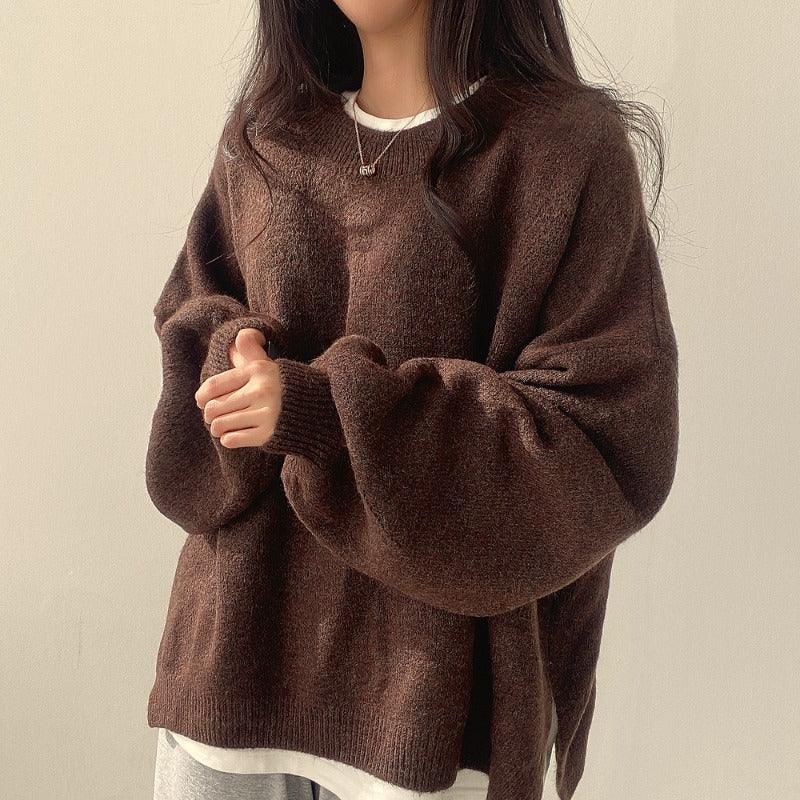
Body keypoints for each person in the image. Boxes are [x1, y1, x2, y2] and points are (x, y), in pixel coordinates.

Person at [144, 1, 679, 799]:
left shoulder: (563, 149)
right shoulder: (266, 137)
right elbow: (188, 322)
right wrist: (231, 356)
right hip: (229, 682)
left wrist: (324, 414)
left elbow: (606, 433)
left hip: (433, 719)